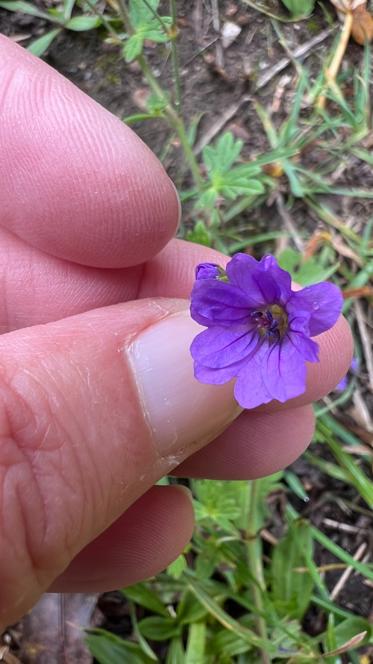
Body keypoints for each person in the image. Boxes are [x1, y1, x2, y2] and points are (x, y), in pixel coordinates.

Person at [0, 34, 352, 630]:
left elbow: (278, 326)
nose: (270, 319)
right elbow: (226, 307)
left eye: (276, 317)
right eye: (269, 316)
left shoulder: (290, 315)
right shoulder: (246, 308)